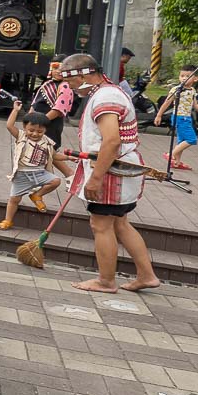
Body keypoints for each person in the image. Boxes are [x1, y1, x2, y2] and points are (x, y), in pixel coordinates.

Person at [59, 53, 159, 293]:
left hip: (110, 172)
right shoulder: (108, 92)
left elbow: (112, 141)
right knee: (120, 224)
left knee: (101, 225)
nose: (70, 88)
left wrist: (95, 178)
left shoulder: (105, 96)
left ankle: (106, 281)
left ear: (83, 75)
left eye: (71, 82)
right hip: (118, 168)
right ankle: (146, 275)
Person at [0, 103, 62, 229]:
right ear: (25, 127)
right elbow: (9, 126)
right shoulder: (21, 136)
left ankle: (37, 195)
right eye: (31, 130)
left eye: (40, 131)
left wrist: (69, 157)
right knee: (14, 199)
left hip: (39, 173)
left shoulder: (47, 142)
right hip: (22, 175)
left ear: (45, 130)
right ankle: (7, 220)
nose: (35, 134)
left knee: (56, 181)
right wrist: (15, 110)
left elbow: (55, 156)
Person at [155, 64, 198, 171]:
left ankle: (176, 162)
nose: (184, 78)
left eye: (188, 76)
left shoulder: (192, 91)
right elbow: (167, 103)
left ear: (195, 79)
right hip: (179, 117)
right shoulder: (176, 89)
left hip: (187, 118)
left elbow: (195, 105)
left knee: (181, 141)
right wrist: (159, 115)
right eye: (182, 76)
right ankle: (170, 154)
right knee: (191, 139)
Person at [31, 56, 74, 152]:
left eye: (62, 69)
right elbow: (35, 103)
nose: (58, 71)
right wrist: (29, 119)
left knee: (46, 151)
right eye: (55, 68)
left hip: (50, 125)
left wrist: (40, 122)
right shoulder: (48, 83)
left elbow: (59, 109)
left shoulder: (66, 86)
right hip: (37, 123)